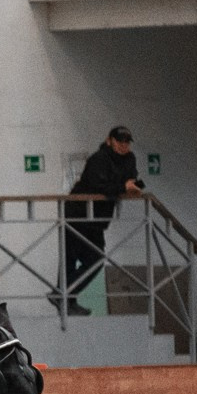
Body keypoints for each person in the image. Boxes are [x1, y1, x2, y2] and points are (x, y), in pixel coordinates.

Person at [61, 126, 144, 316]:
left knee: (93, 259)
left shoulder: (129, 159)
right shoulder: (98, 159)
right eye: (120, 141)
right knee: (77, 259)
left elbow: (134, 180)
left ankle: (65, 296)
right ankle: (65, 297)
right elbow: (99, 186)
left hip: (96, 218)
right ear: (110, 141)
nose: (124, 145)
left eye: (126, 142)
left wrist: (134, 186)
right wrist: (124, 186)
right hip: (78, 214)